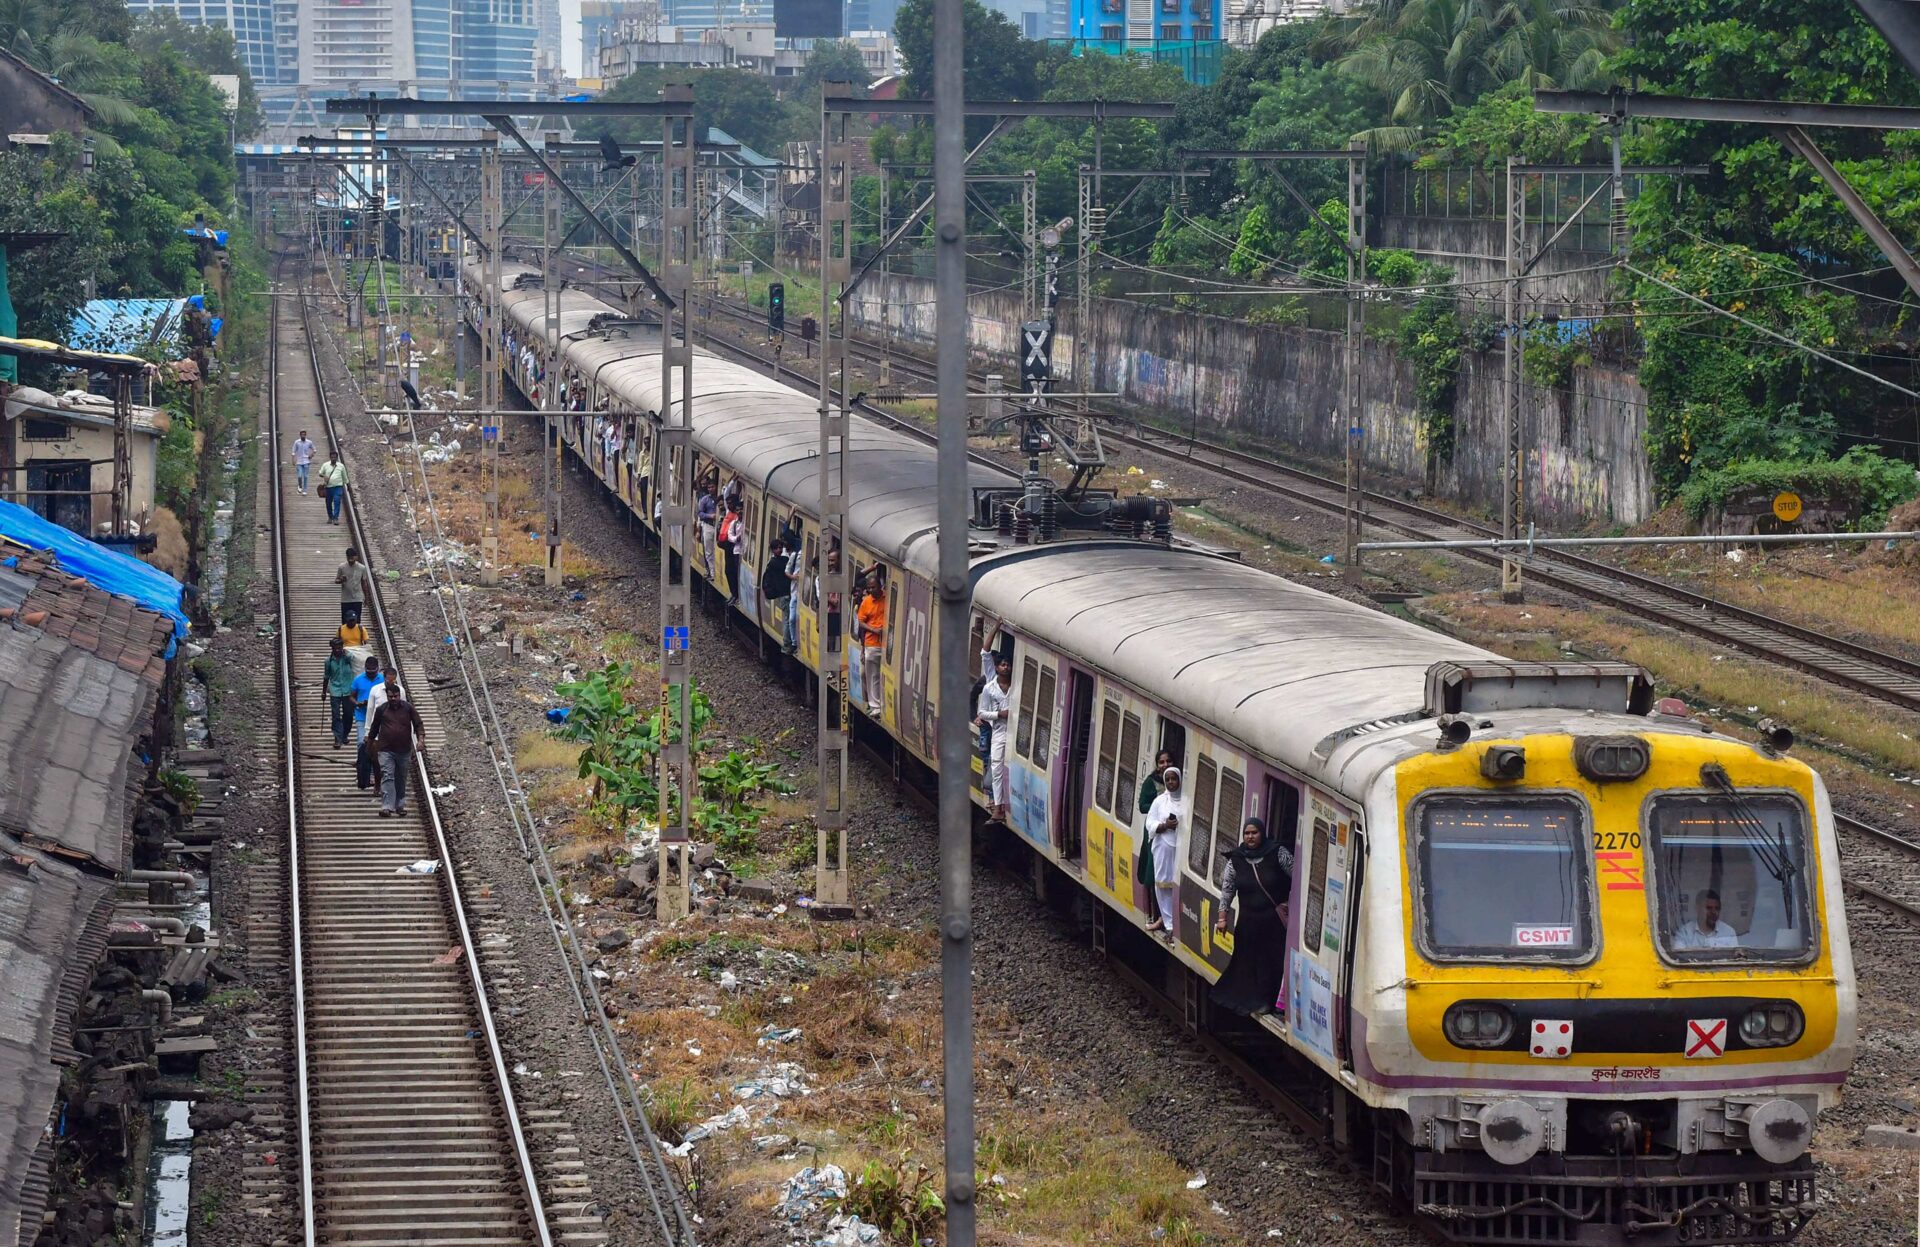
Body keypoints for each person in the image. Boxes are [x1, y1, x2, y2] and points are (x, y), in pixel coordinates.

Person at [1211, 817, 1295, 1016]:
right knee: (1249, 962)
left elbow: (1297, 878)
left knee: (1271, 961)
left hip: (1273, 922)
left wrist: (1291, 904)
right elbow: (1228, 890)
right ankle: (1253, 1000)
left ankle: (1269, 1001)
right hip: (1248, 922)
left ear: (1262, 833)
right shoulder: (1236, 860)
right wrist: (1222, 918)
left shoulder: (1278, 853)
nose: (1250, 837)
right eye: (1247, 833)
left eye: (1254, 833)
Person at [369, 682, 426, 817]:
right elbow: (374, 728)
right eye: (390, 697)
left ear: (399, 695)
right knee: (387, 775)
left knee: (400, 777)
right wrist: (370, 743)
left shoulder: (408, 708)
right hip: (386, 749)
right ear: (387, 696)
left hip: (403, 750)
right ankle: (387, 806)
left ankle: (399, 805)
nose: (393, 699)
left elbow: (418, 724)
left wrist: (421, 740)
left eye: (395, 696)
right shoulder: (382, 709)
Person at [1143, 767, 1185, 939]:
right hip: (1163, 847)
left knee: (1178, 885)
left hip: (1181, 848)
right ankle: (1169, 923)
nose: (1170, 783)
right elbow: (1150, 823)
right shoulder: (1160, 801)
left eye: (1173, 779)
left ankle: (1178, 920)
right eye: (1167, 780)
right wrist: (1165, 825)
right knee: (1162, 884)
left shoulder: (1186, 801)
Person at [977, 656, 1013, 821]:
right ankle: (998, 807)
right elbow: (981, 712)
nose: (1006, 667)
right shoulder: (989, 689)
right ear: (997, 668)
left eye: (1008, 665)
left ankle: (1008, 803)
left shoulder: (1016, 685)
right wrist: (999, 714)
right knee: (996, 769)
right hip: (999, 731)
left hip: (1015, 733)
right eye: (1003, 664)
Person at [855, 571, 888, 718]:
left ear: (880, 586)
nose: (871, 590)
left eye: (873, 587)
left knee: (885, 676)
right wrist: (874, 630)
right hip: (872, 642)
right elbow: (861, 622)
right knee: (873, 675)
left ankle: (885, 704)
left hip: (888, 644)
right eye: (869, 588)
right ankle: (875, 706)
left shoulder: (888, 598)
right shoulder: (866, 602)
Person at [1672, 889, 1739, 950]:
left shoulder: (1729, 933)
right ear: (1697, 908)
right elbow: (1678, 958)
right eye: (1709, 908)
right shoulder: (1685, 932)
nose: (1713, 912)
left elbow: (1734, 960)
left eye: (1717, 908)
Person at [323, 637, 357, 748]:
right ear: (332, 648)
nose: (338, 650)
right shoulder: (328, 661)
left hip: (348, 690)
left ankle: (345, 734)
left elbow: (352, 658)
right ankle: (337, 738)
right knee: (335, 715)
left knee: (348, 714)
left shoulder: (347, 657)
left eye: (340, 648)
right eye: (336, 648)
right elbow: (326, 676)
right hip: (335, 691)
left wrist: (345, 652)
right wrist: (323, 692)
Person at [761, 536, 792, 641]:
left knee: (787, 618)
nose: (779, 549)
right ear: (773, 550)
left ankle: (788, 640)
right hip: (785, 593)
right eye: (776, 548)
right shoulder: (780, 562)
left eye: (780, 547)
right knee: (788, 619)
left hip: (782, 593)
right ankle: (787, 641)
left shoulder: (773, 562)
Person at [336, 547, 371, 626]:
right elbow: (336, 580)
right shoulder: (342, 567)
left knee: (357, 621)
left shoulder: (362, 568)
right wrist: (341, 580)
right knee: (345, 621)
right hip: (345, 599)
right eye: (348, 558)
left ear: (356, 557)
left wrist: (366, 598)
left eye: (352, 558)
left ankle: (356, 637)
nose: (350, 560)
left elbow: (364, 583)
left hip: (357, 598)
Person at [1138, 748, 1176, 817]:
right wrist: (1160, 806)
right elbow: (1142, 807)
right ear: (1157, 766)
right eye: (1161, 762)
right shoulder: (1151, 782)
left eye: (1169, 761)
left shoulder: (1178, 780)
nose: (1166, 764)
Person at [781, 536, 803, 654]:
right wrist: (793, 577)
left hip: (804, 592)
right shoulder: (795, 555)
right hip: (794, 591)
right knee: (792, 618)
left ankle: (796, 642)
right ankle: (794, 642)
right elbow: (786, 571)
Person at [721, 498, 744, 605]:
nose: (739, 512)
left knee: (738, 574)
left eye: (741, 510)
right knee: (730, 571)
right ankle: (734, 594)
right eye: (738, 510)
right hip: (735, 549)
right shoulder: (734, 523)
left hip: (742, 552)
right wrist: (736, 539)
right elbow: (730, 535)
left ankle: (738, 596)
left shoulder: (745, 524)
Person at [316, 449, 348, 524]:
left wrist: (347, 485)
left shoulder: (341, 466)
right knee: (328, 502)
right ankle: (330, 517)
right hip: (328, 487)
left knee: (337, 501)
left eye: (335, 457)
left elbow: (344, 477)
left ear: (337, 458)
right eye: (332, 457)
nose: (333, 459)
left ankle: (335, 518)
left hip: (338, 487)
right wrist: (324, 476)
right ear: (330, 457)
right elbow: (320, 473)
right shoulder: (325, 465)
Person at [696, 483, 718, 576]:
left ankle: (715, 571)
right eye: (709, 487)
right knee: (708, 550)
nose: (710, 489)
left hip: (717, 527)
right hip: (708, 525)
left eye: (712, 486)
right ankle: (712, 572)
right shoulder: (705, 499)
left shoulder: (719, 498)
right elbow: (700, 513)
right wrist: (710, 516)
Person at [291, 428, 316, 495]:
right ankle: (300, 485)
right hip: (299, 461)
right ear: (300, 435)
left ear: (305, 435)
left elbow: (314, 449)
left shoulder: (309, 442)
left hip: (306, 461)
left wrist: (311, 455)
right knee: (299, 475)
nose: (303, 436)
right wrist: (293, 460)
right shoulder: (297, 442)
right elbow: (293, 451)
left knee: (305, 476)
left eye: (304, 435)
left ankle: (305, 490)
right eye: (302, 435)